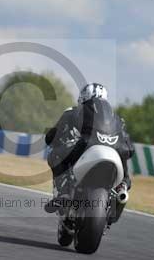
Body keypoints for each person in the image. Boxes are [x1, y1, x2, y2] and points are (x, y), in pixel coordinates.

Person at [44, 83, 134, 220]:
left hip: (87, 145)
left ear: (82, 98)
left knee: (54, 155)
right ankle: (122, 188)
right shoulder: (117, 118)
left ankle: (64, 193)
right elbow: (129, 146)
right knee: (124, 167)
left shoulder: (73, 111)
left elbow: (51, 137)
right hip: (116, 150)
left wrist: (54, 139)